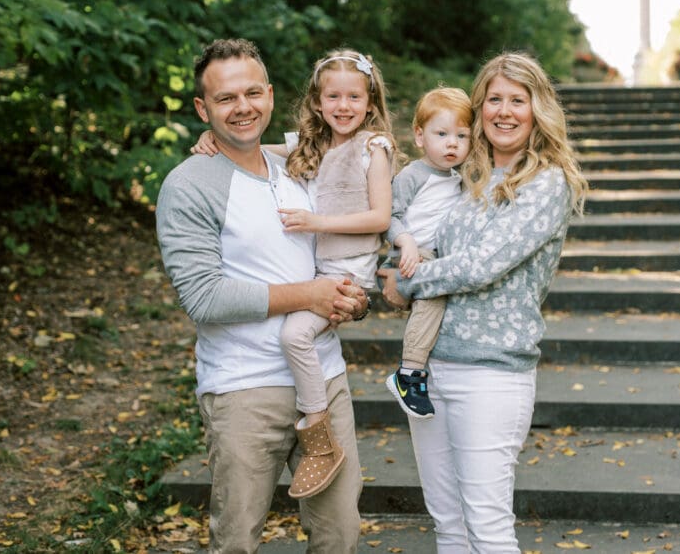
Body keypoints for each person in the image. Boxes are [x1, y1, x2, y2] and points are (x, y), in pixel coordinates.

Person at [156, 38, 368, 553]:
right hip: (244, 388)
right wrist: (310, 295)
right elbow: (204, 298)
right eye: (226, 99)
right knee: (238, 541)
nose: (244, 107)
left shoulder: (301, 169)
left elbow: (333, 256)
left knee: (340, 533)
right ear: (203, 109)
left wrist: (348, 298)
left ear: (270, 95)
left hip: (324, 378)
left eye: (253, 92)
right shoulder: (189, 185)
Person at [377, 51, 589, 553]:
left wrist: (406, 282)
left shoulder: (546, 182)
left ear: (538, 109)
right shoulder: (462, 176)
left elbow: (481, 265)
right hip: (431, 371)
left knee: (488, 530)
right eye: (494, 99)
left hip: (491, 374)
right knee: (448, 526)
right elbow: (376, 179)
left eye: (519, 100)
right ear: (479, 110)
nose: (505, 111)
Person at [192, 48, 395, 499]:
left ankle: (316, 431)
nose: (344, 107)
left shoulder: (373, 147)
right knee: (295, 334)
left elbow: (380, 216)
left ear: (370, 102)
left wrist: (316, 222)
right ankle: (316, 424)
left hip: (345, 273)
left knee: (294, 337)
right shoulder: (314, 146)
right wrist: (210, 139)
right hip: (319, 274)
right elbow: (251, 145)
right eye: (333, 97)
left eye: (354, 98)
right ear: (318, 102)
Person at [383, 87, 473, 419]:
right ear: (420, 137)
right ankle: (409, 373)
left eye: (462, 136)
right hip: (410, 252)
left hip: (434, 255)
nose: (453, 143)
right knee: (435, 295)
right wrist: (404, 242)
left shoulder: (457, 179)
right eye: (442, 134)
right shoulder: (414, 175)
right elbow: (388, 215)